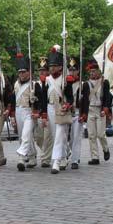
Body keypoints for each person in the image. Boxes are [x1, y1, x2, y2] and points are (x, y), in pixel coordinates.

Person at [41, 45, 73, 174]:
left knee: (60, 135)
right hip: (49, 108)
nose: (52, 68)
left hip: (61, 109)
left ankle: (56, 162)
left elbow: (70, 98)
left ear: (60, 67)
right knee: (57, 136)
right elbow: (44, 98)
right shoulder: (46, 80)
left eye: (54, 66)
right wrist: (43, 114)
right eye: (50, 66)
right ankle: (64, 157)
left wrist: (67, 105)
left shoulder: (66, 79)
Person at [12, 53, 42, 171]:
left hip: (30, 112)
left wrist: (37, 111)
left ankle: (21, 158)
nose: (22, 74)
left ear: (29, 72)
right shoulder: (16, 84)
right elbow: (13, 100)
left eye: (24, 72)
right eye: (20, 72)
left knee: (25, 135)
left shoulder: (35, 85)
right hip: (19, 110)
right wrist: (12, 115)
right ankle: (32, 157)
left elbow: (41, 100)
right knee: (23, 136)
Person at [82, 59, 110, 164]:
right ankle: (95, 157)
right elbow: (84, 99)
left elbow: (107, 97)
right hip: (90, 110)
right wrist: (84, 113)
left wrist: (105, 108)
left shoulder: (104, 82)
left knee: (101, 134)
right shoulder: (86, 84)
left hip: (100, 110)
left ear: (99, 71)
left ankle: (106, 148)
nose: (92, 73)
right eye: (91, 71)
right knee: (91, 134)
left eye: (94, 71)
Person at [32, 57, 53, 167]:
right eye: (40, 71)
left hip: (50, 111)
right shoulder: (35, 84)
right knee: (39, 137)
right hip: (38, 113)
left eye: (44, 70)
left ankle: (45, 159)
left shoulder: (51, 82)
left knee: (48, 136)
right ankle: (58, 151)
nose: (42, 72)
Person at [67, 57, 85, 169]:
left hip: (78, 112)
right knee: (67, 138)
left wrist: (84, 114)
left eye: (74, 70)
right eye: (70, 70)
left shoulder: (83, 84)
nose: (72, 72)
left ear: (78, 71)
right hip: (67, 113)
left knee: (76, 136)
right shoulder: (65, 84)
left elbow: (86, 101)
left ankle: (75, 160)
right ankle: (69, 153)